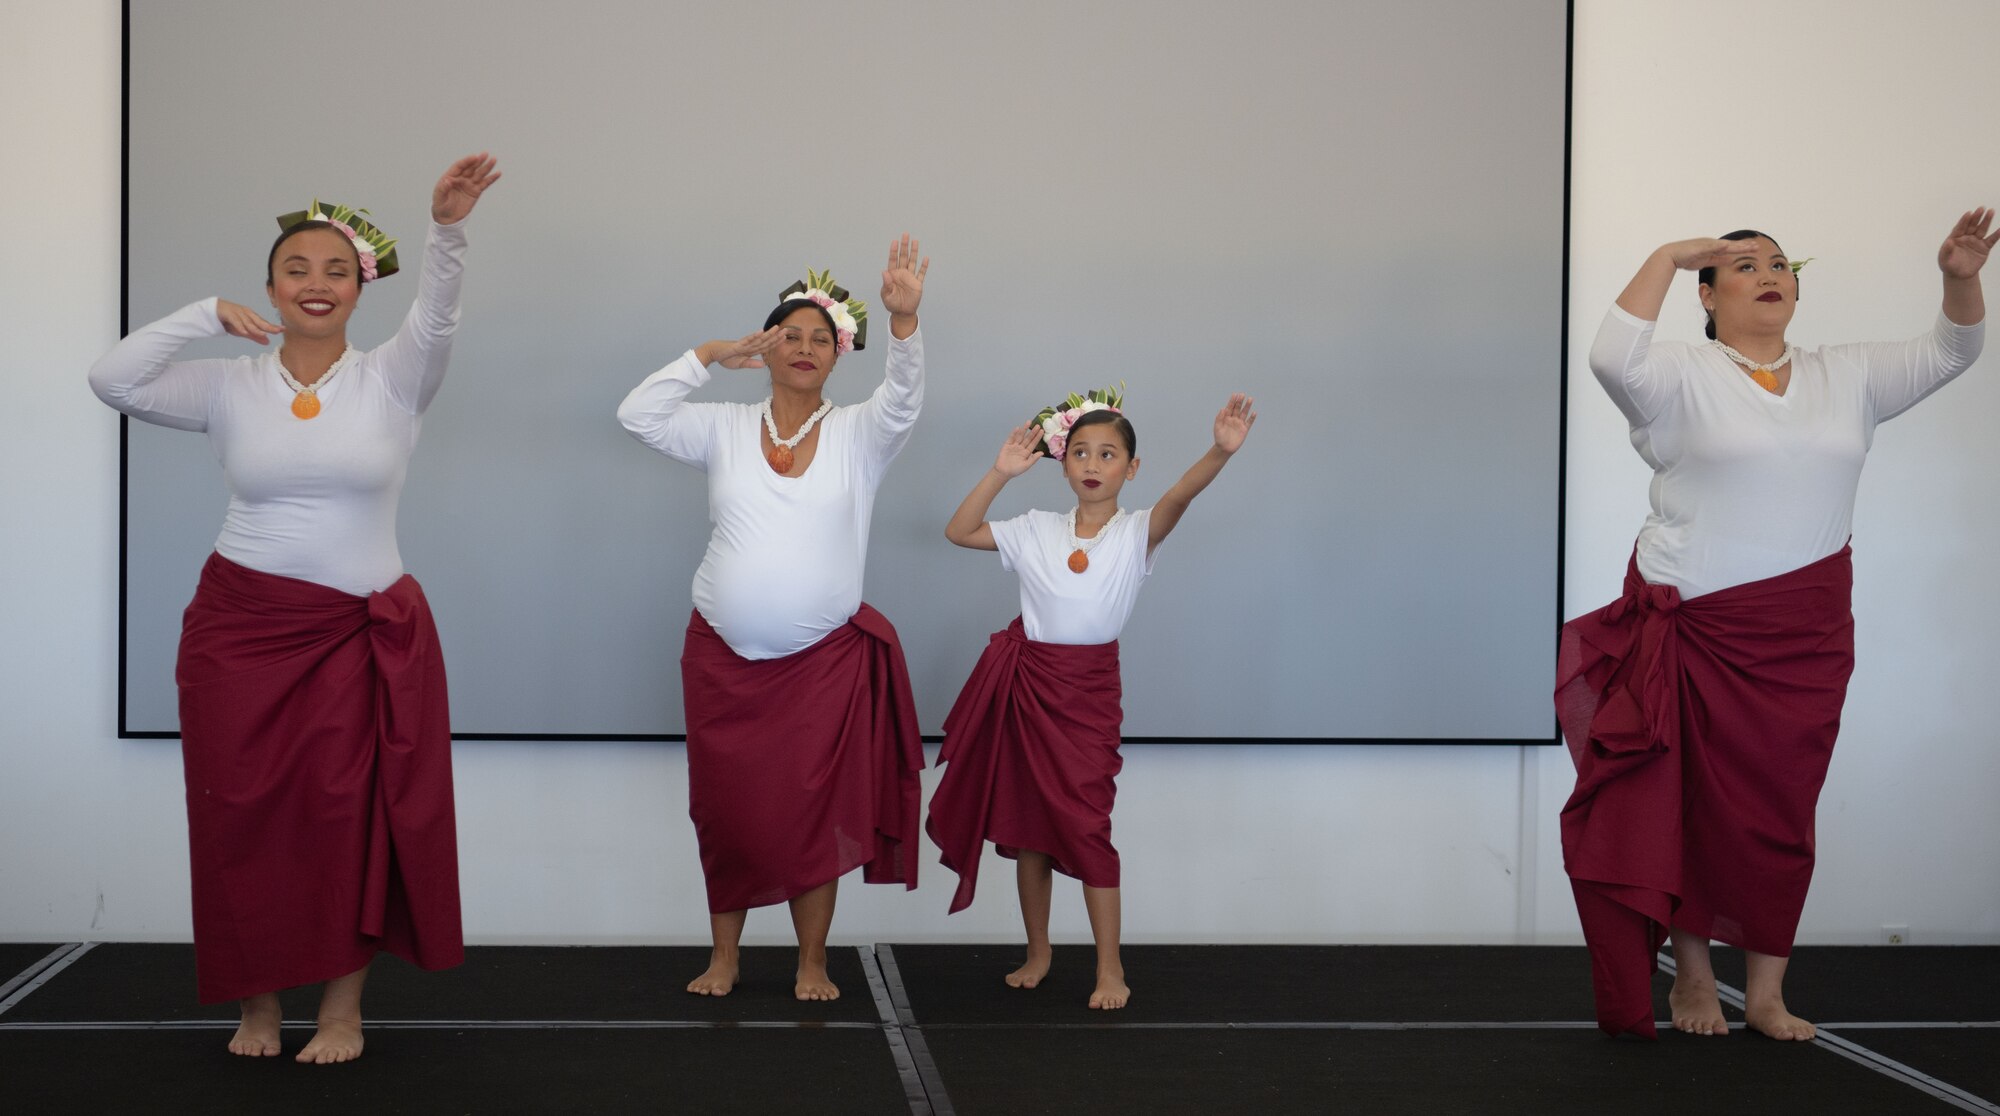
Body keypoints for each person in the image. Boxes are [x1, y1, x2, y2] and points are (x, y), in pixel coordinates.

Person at [88, 153, 503, 1063]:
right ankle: (258, 1010)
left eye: (336, 271)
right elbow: (112, 380)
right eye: (296, 269)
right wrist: (201, 315)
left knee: (347, 819)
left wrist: (445, 227)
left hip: (360, 635)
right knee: (239, 819)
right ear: (269, 285)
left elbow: (437, 315)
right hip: (240, 633)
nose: (316, 285)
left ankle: (343, 1011)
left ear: (361, 287)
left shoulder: (396, 379)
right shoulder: (228, 385)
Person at [1559, 209, 1993, 1041]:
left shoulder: (1849, 375)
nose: (1769, 273)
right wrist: (1668, 252)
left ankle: (1764, 991)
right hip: (1692, 625)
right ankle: (1691, 979)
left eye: (1780, 263)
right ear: (1708, 295)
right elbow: (1612, 353)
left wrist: (1959, 277)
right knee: (1682, 801)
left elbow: (1953, 350)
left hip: (1803, 633)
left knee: (1780, 806)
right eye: (1742, 264)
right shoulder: (1678, 374)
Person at [616, 238, 931, 1002]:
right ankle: (723, 959)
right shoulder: (723, 425)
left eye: (821, 338)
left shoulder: (862, 434)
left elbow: (905, 400)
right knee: (727, 812)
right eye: (789, 333)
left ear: (839, 354)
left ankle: (811, 963)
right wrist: (709, 354)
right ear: (767, 346)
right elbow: (637, 415)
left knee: (812, 815)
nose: (804, 347)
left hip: (820, 664)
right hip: (720, 662)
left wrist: (905, 322)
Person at [927, 391, 1257, 1009]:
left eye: (1108, 454)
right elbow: (958, 530)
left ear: (1130, 468)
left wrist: (1219, 451)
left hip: (1088, 694)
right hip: (1031, 688)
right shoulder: (1034, 528)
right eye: (1080, 451)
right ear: (1063, 463)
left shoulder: (1137, 533)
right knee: (1028, 831)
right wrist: (1001, 470)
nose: (1092, 463)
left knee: (1086, 826)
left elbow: (1179, 497)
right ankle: (1039, 951)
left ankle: (1111, 968)